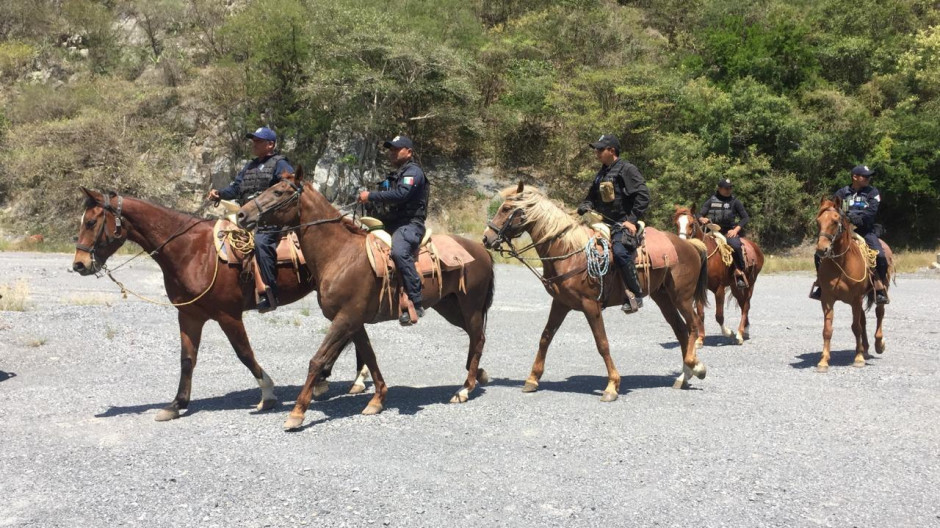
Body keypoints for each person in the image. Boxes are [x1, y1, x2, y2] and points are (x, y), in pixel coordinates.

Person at [208, 126, 293, 313]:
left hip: (270, 218)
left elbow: (289, 188)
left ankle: (270, 293)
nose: (254, 144)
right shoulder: (250, 166)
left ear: (270, 144)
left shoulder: (281, 164)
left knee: (262, 242)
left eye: (258, 141)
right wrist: (219, 194)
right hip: (247, 215)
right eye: (253, 140)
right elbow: (236, 189)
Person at [357, 135, 430, 325]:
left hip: (410, 224)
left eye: (397, 149)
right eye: (391, 150)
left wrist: (371, 196)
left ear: (409, 152)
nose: (392, 153)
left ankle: (415, 299)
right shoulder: (397, 174)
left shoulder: (413, 172)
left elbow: (401, 194)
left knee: (399, 251)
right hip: (391, 223)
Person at [577, 134, 651, 314]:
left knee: (618, 252)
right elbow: (591, 198)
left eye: (600, 149)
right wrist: (586, 205)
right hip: (602, 223)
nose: (597, 153)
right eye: (596, 149)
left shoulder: (627, 169)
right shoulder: (601, 173)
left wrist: (631, 220)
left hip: (622, 223)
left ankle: (636, 294)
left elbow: (643, 196)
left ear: (612, 151)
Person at [809, 165, 889, 304]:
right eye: (865, 176)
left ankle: (879, 288)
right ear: (855, 177)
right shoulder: (841, 193)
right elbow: (834, 210)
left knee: (880, 256)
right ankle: (821, 284)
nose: (868, 179)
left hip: (865, 230)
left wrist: (856, 218)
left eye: (869, 176)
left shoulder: (873, 192)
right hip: (844, 231)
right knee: (818, 254)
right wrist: (844, 218)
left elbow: (871, 212)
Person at [699, 178, 751, 290]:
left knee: (736, 246)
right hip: (712, 230)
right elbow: (699, 214)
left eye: (730, 188)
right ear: (719, 188)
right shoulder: (711, 201)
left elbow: (745, 217)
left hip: (728, 232)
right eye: (726, 188)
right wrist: (701, 219)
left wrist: (736, 230)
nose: (728, 190)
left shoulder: (735, 201)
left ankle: (739, 273)